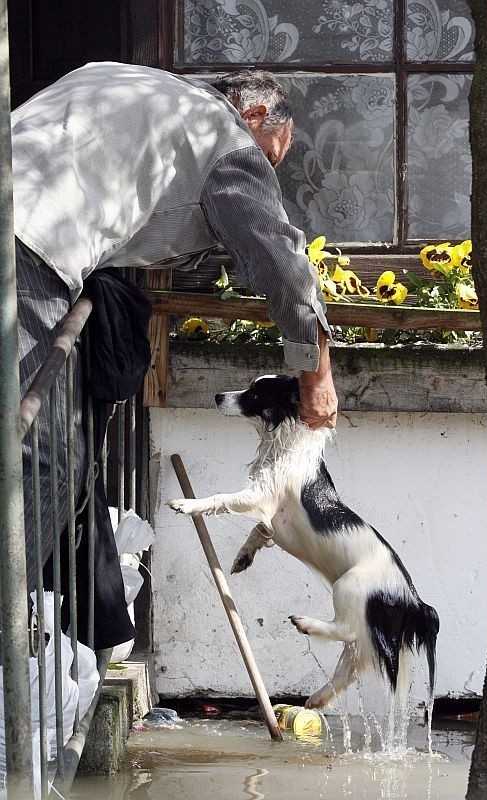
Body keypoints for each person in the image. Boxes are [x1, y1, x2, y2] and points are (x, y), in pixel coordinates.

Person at [11, 63, 338, 611]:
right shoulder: (222, 136)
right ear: (253, 114)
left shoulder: (117, 77)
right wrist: (318, 376)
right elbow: (285, 269)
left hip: (26, 229)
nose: (265, 176)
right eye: (270, 159)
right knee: (46, 464)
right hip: (28, 245)